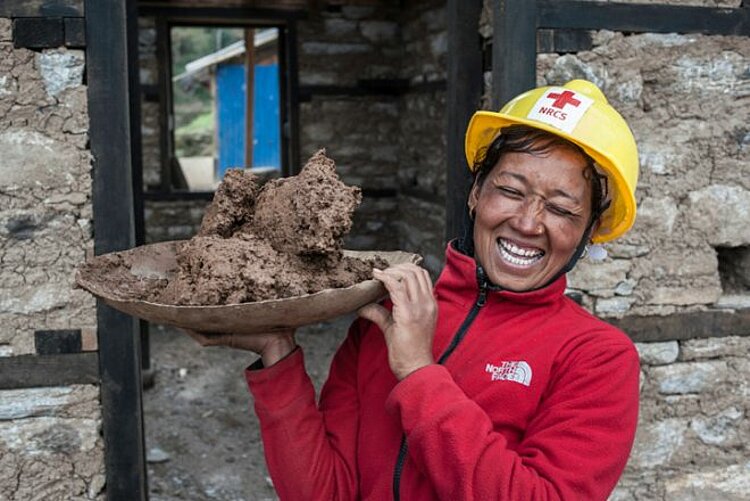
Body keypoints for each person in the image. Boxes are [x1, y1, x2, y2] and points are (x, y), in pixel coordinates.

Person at [187, 79, 641, 500]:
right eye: (510, 189)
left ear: (588, 232)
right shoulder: (388, 316)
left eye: (561, 209)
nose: (526, 222)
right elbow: (324, 492)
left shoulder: (597, 357)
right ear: (476, 193)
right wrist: (277, 353)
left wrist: (419, 373)